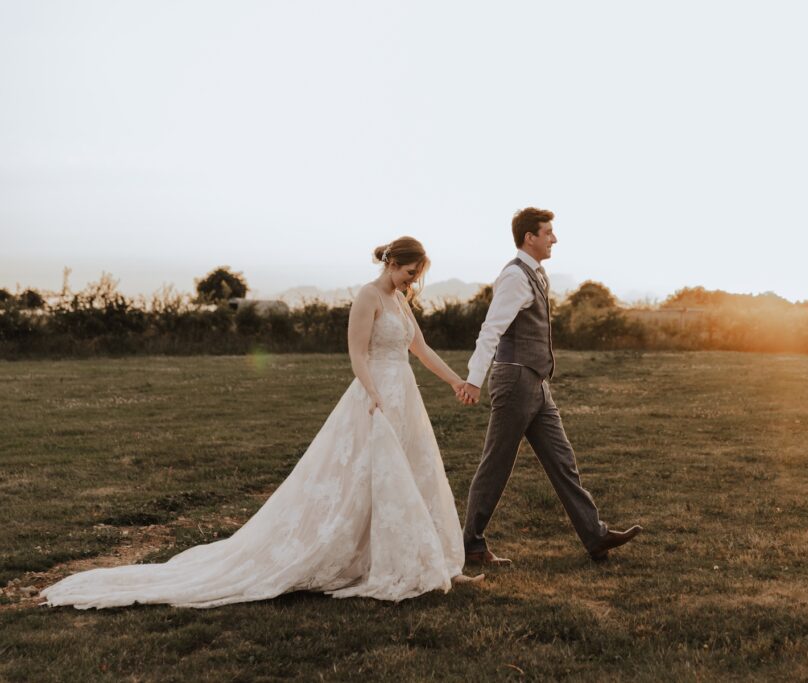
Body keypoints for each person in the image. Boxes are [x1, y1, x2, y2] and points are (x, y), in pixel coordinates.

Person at [41, 237, 481, 609]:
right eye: (409, 273)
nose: (412, 282)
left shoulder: (401, 302)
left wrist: (455, 381)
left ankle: (424, 558)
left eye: (416, 277)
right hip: (375, 398)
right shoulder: (368, 296)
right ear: (392, 263)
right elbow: (357, 354)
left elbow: (420, 349)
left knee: (413, 474)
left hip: (405, 396)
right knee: (364, 477)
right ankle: (371, 557)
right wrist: (374, 395)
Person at [456, 208, 642, 564]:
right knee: (496, 465)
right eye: (548, 232)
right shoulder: (514, 276)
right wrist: (474, 380)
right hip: (514, 382)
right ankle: (471, 544)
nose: (554, 239)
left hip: (537, 384)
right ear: (530, 237)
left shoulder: (537, 273)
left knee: (563, 461)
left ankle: (595, 535)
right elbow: (491, 329)